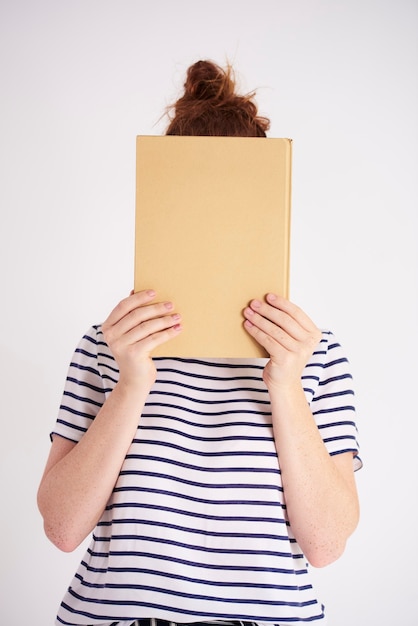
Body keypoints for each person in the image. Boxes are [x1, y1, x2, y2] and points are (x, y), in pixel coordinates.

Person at [37, 60, 362, 626]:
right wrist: (132, 381)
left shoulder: (315, 353)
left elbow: (326, 544)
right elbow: (62, 530)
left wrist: (286, 384)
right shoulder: (106, 345)